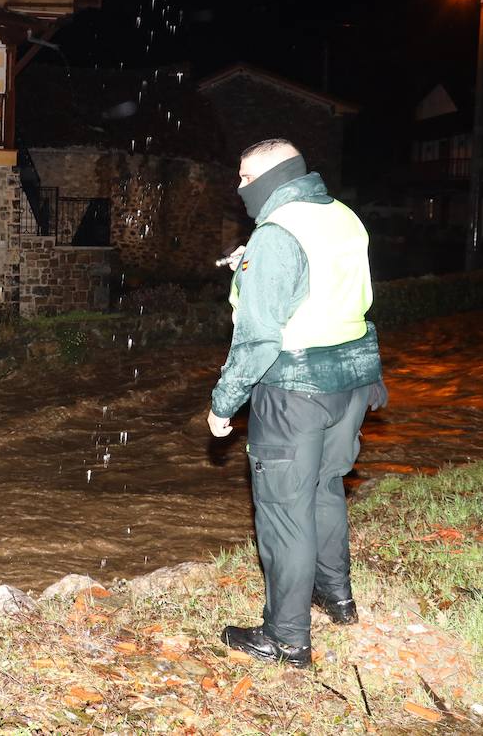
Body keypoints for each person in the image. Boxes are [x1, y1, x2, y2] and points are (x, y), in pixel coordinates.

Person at [207, 138, 387, 669]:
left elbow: (259, 337)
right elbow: (332, 290)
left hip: (295, 391)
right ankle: (337, 596)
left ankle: (286, 638)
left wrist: (224, 403)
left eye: (244, 177)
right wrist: (250, 269)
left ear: (273, 177)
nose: (239, 188)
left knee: (285, 511)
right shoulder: (343, 216)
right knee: (325, 489)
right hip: (352, 384)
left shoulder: (275, 235)